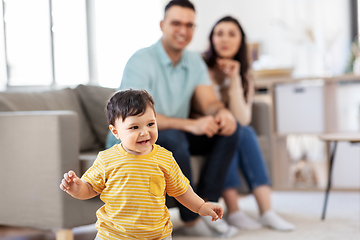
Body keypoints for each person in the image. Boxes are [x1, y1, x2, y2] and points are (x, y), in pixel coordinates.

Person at [106, 0, 240, 238]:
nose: (183, 30)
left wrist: (222, 112)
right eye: (176, 23)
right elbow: (136, 119)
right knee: (176, 139)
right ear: (162, 25)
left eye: (189, 25)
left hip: (170, 133)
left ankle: (206, 206)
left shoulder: (195, 62)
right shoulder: (141, 60)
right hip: (134, 139)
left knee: (230, 130)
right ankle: (191, 220)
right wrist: (191, 124)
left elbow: (208, 101)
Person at [60, 89, 224, 240]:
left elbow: (182, 190)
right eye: (134, 127)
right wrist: (77, 188)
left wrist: (201, 206)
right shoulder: (106, 159)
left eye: (151, 124)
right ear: (115, 131)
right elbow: (90, 188)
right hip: (113, 235)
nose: (145, 132)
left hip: (156, 235)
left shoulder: (164, 158)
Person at [203, 16, 295, 231]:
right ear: (212, 39)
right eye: (219, 33)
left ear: (241, 41)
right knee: (234, 131)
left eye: (231, 34)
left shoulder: (244, 74)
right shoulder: (201, 69)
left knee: (244, 131)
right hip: (207, 129)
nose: (224, 39)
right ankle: (234, 211)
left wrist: (234, 78)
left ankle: (267, 211)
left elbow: (243, 118)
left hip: (231, 129)